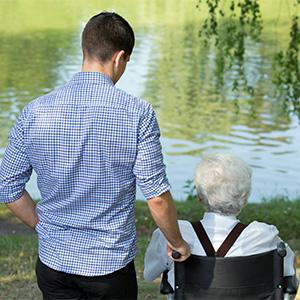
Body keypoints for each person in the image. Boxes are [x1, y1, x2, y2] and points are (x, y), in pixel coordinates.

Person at [0, 12, 190, 300]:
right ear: (120, 57)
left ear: (85, 49)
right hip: (109, 268)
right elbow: (157, 197)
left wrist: (44, 226)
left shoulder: (35, 111)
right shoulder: (137, 113)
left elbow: (8, 186)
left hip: (54, 264)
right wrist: (177, 242)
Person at [144, 152, 296, 298]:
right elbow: (288, 271)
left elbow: (149, 274)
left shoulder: (174, 234)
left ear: (200, 197)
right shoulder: (264, 236)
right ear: (245, 198)